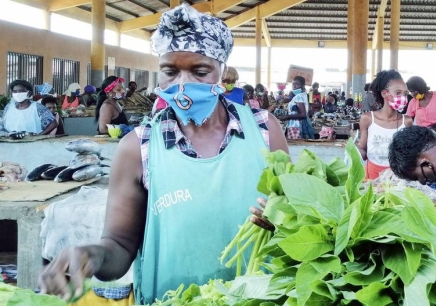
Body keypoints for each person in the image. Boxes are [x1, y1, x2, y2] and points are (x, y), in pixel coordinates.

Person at [39, 4, 287, 304]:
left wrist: (283, 221)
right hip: (169, 299)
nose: (182, 84)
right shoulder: (137, 147)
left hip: (259, 298)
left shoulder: (264, 131)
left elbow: (293, 215)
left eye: (200, 71)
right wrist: (91, 256)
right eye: (170, 72)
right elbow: (119, 244)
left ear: (222, 72)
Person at [357, 70, 413, 180]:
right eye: (398, 93)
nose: (403, 97)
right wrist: (353, 148)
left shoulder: (407, 122)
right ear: (384, 94)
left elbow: (409, 154)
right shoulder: (368, 119)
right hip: (371, 176)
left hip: (397, 178)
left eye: (405, 94)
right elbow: (363, 152)